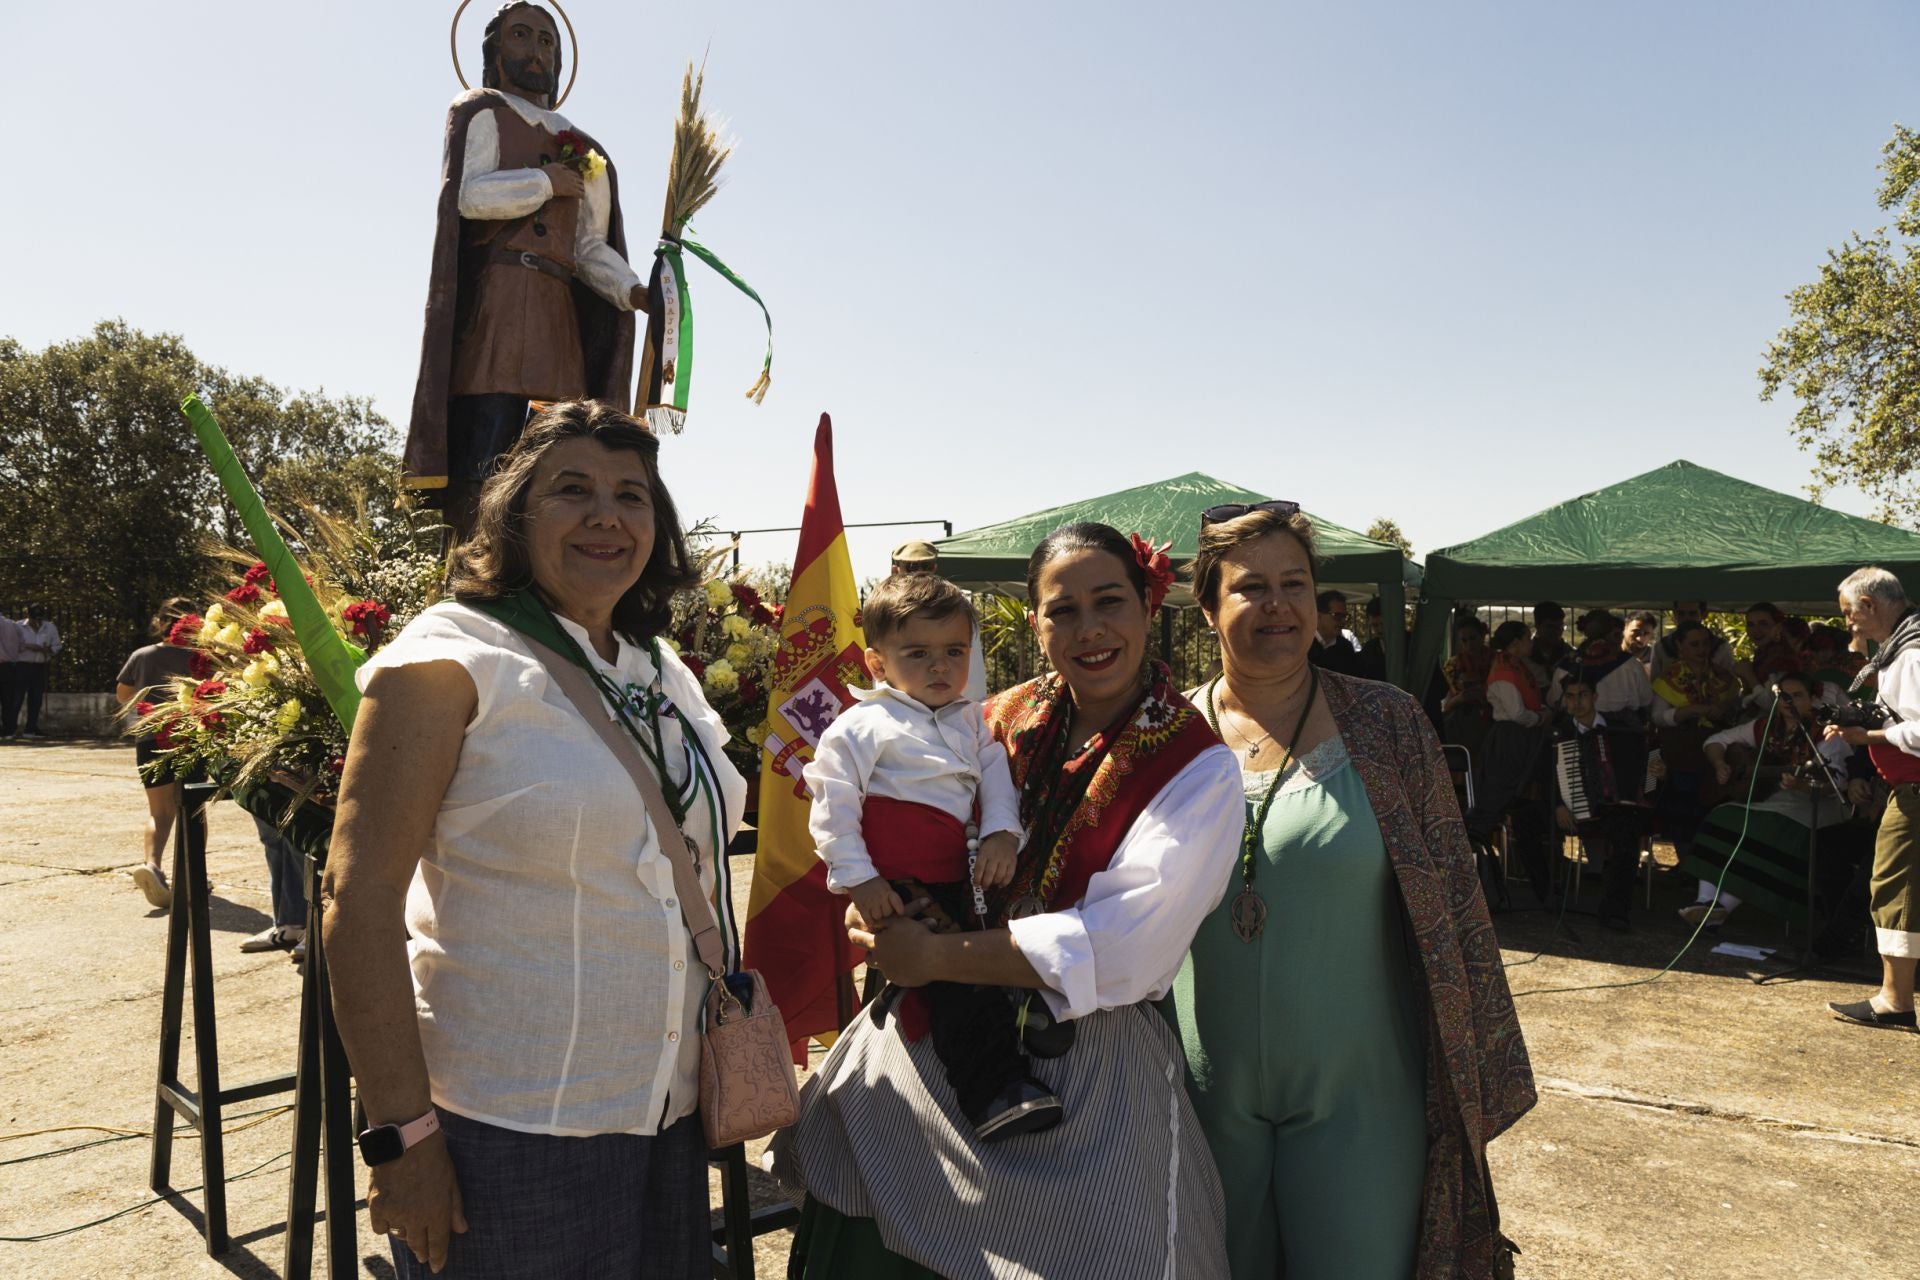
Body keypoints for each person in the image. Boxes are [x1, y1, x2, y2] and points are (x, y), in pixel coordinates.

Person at [323, 401, 743, 1277]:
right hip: (511, 1131)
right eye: (573, 490)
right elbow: (354, 905)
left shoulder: (658, 670)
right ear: (515, 513)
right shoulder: (446, 659)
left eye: (632, 495)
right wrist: (404, 1137)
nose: (606, 514)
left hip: (668, 1112)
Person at [773, 522, 1244, 1280]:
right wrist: (874, 899)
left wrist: (934, 954)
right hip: (928, 1034)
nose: (1089, 630)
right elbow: (879, 816)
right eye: (1063, 610)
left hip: (1087, 1058)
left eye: (1110, 602)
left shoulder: (1197, 766)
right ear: (1034, 622)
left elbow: (1124, 948)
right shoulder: (987, 718)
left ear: (1149, 608)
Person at [1167, 503, 1533, 1278]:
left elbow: (1455, 905)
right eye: (1250, 588)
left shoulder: (1389, 723)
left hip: (1364, 1101)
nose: (1278, 607)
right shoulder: (1162, 735)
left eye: (1295, 584)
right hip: (1196, 1103)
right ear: (1207, 606)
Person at [804, 572, 1041, 1139]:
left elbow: (995, 781)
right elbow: (832, 807)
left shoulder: (971, 720)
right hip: (898, 881)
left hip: (963, 874)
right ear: (877, 663)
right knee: (954, 981)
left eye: (954, 651)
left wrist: (1003, 834)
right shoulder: (860, 726)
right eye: (918, 653)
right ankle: (993, 1094)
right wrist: (860, 881)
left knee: (982, 968)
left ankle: (984, 1068)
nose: (940, 667)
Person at [405, 3, 649, 535]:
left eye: (546, 40)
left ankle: (542, 585)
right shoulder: (483, 111)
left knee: (558, 461)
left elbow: (587, 247)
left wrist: (636, 291)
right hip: (495, 311)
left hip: (557, 321)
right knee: (486, 458)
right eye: (521, 35)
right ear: (494, 50)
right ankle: (471, 577)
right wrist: (546, 184)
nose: (536, 49)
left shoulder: (586, 149)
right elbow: (467, 196)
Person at [1677, 672, 1868, 930]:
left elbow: (1837, 784)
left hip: (1820, 806)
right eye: (1782, 697)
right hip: (1775, 801)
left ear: (1813, 699)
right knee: (1723, 815)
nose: (1788, 703)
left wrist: (1802, 784)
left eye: (1797, 696)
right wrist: (1720, 763)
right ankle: (1705, 902)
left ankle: (1721, 908)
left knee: (1765, 830)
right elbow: (1716, 740)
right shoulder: (1767, 726)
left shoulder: (1827, 733)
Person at [1822, 567, 1920, 1030]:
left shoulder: (1911, 655)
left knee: (1894, 888)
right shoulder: (1904, 646)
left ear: (1870, 605)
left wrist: (1869, 735)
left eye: (1848, 614)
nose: (1848, 624)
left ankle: (1896, 1001)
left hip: (1916, 792)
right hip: (1908, 787)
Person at [114, 598, 202, 909]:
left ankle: (152, 865)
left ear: (159, 622)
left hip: (150, 737)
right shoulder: (200, 657)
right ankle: (194, 877)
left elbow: (123, 694)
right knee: (194, 810)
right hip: (191, 738)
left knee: (159, 812)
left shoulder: (142, 655)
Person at [1552, 674, 1653, 931]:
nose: (1578, 702)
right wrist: (1558, 804)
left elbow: (1648, 763)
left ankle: (1616, 910)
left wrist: (1656, 772)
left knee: (1627, 834)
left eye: (1583, 694)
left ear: (1595, 696)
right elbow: (1545, 775)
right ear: (1564, 700)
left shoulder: (1622, 726)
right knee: (1530, 820)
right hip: (1575, 806)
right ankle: (1549, 898)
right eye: (1571, 696)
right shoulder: (1559, 732)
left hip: (1618, 806)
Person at [891, 538, 988, 701]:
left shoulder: (957, 609)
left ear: (934, 568)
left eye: (926, 566)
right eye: (912, 566)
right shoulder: (886, 612)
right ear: (896, 570)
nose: (920, 572)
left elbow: (973, 671)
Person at [1548, 610, 1653, 727]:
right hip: (1623, 728)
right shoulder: (1631, 664)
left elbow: (1554, 701)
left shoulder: (1567, 664)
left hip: (1580, 728)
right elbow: (1646, 699)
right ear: (1610, 630)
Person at [1650, 600, 1734, 680]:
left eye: (1692, 614)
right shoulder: (1662, 647)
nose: (1686, 619)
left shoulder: (1721, 648)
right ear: (1674, 614)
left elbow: (1730, 687)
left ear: (1704, 614)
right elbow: (1654, 684)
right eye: (1681, 614)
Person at [16, 603, 61, 737]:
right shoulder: (18, 626)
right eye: (34, 618)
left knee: (36, 698)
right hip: (22, 665)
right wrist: (28, 646)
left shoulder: (50, 627)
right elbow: (13, 645)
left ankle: (30, 728)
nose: (37, 622)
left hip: (39, 666)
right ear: (27, 615)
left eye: (39, 618)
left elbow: (57, 646)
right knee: (17, 698)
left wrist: (47, 650)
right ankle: (10, 727)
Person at [1308, 589, 1363, 675]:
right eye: (1337, 616)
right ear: (1318, 616)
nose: (1343, 621)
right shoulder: (1303, 645)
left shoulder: (1345, 648)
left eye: (1345, 616)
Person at [0, 609, 25, 739]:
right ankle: (9, 730)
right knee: (8, 700)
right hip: (10, 666)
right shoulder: (14, 625)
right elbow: (22, 646)